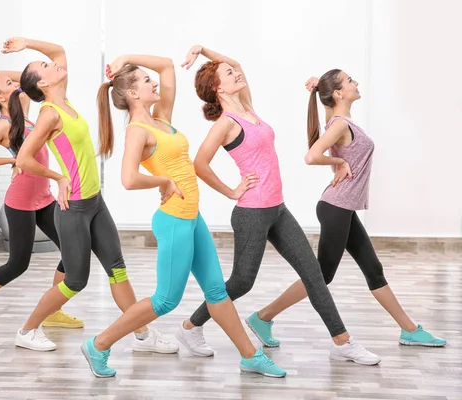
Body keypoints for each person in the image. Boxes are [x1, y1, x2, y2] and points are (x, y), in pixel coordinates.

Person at [81, 53, 287, 379]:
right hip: (174, 218)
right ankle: (99, 344)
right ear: (133, 93)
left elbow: (165, 64)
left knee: (217, 292)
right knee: (165, 300)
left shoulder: (160, 118)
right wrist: (163, 180)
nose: (154, 82)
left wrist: (124, 58)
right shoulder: (137, 131)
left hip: (191, 216)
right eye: (145, 81)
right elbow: (128, 179)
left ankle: (251, 356)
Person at [176, 45, 381, 366]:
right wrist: (231, 191)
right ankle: (190, 326)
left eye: (233, 71)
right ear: (218, 88)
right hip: (251, 213)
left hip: (278, 210)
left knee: (314, 274)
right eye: (229, 74)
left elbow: (237, 60)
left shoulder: (247, 108)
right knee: (241, 282)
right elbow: (200, 163)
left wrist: (203, 50)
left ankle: (343, 342)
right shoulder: (226, 123)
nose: (236, 72)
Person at [4, 37, 176, 354]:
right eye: (44, 66)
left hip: (95, 203)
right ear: (42, 83)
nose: (52, 63)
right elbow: (24, 158)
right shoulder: (50, 114)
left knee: (117, 267)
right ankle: (27, 330)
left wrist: (26, 44)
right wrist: (58, 178)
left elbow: (58, 51)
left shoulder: (63, 100)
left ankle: (141, 334)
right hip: (74, 210)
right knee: (75, 280)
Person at [255, 71, 446, 347]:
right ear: (339, 93)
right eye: (349, 81)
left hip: (342, 208)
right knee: (322, 276)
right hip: (336, 206)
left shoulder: (338, 122)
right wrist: (342, 164)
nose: (356, 83)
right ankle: (263, 316)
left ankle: (409, 329)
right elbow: (311, 156)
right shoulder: (340, 125)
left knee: (373, 269)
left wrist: (318, 88)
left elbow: (327, 135)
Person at [0, 68, 83, 332]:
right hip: (21, 200)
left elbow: (26, 80)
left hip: (43, 196)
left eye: (13, 83)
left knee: (71, 250)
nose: (16, 85)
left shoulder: (22, 110)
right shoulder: (3, 124)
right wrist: (13, 160)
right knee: (17, 265)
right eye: (8, 84)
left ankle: (52, 309)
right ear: (0, 97)